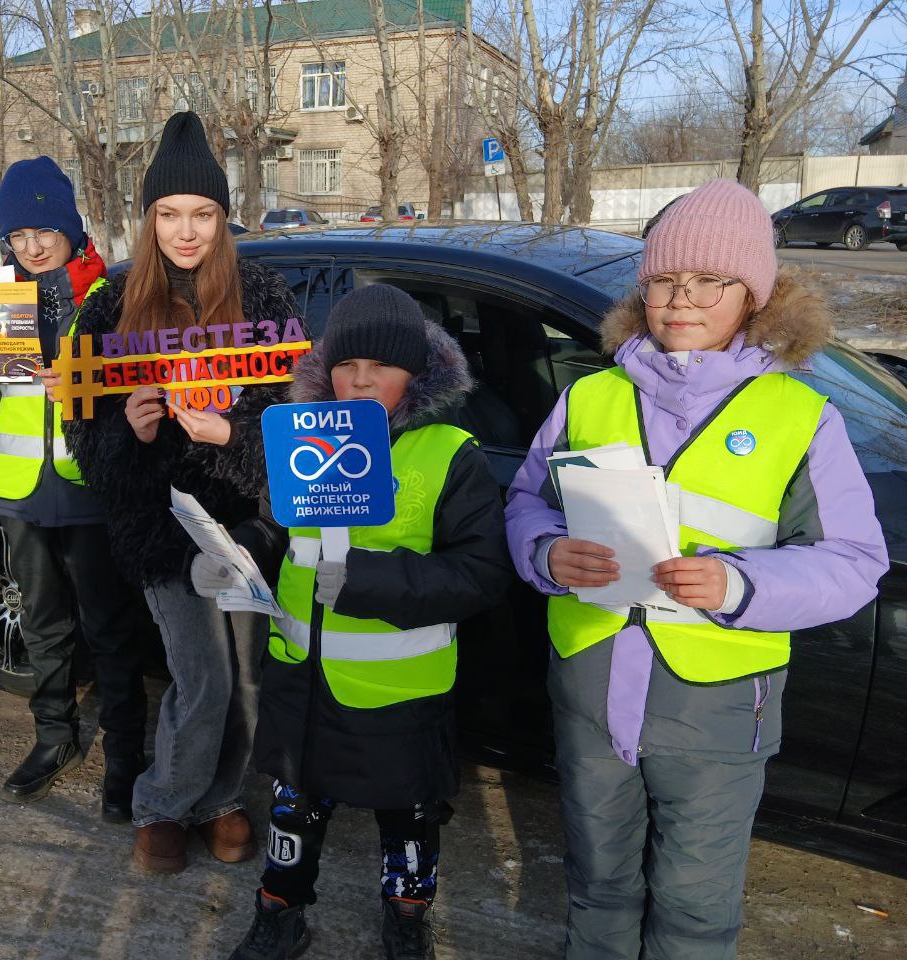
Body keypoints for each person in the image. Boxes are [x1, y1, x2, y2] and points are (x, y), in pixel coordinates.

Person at [504, 179, 889, 960]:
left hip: (713, 713)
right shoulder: (590, 394)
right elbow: (526, 504)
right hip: (590, 690)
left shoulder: (799, 416)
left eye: (709, 281)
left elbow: (855, 562)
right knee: (598, 886)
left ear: (754, 295)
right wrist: (547, 552)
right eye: (663, 281)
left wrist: (740, 584)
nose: (682, 300)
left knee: (693, 912)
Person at [192, 284, 512, 960]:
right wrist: (240, 552)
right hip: (301, 679)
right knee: (293, 810)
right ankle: (280, 910)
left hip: (397, 692)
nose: (360, 379)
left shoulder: (449, 453)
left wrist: (370, 582)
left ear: (417, 374)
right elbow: (282, 527)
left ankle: (406, 916)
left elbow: (480, 573)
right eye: (346, 365)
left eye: (382, 366)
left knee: (410, 816)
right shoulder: (305, 434)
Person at [65, 111, 300, 873]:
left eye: (202, 213)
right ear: (149, 217)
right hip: (162, 528)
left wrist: (231, 434)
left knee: (245, 681)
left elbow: (298, 421)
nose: (185, 230)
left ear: (224, 217)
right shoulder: (109, 304)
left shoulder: (262, 295)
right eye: (169, 214)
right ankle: (164, 803)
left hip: (245, 525)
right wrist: (126, 434)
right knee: (200, 676)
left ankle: (221, 799)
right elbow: (82, 437)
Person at [0, 156, 149, 818]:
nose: (29, 246)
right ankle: (56, 738)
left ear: (71, 226)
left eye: (41, 231)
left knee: (110, 630)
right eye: (17, 236)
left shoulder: (110, 297)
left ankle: (126, 759)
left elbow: (143, 392)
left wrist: (86, 385)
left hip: (91, 492)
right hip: (20, 490)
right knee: (42, 625)